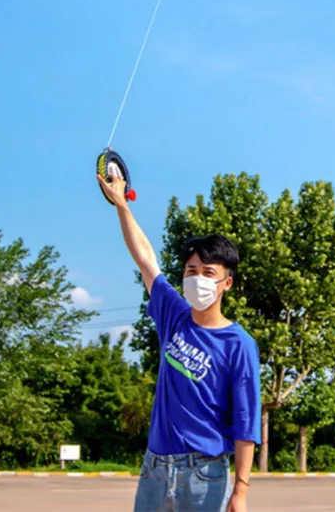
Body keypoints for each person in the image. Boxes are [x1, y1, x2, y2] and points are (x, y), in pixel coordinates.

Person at [98, 165, 261, 512]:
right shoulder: (173, 315)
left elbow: (246, 422)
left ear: (226, 283)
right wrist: (122, 205)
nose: (197, 279)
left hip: (205, 473)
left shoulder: (239, 344)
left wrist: (241, 491)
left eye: (208, 273)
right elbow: (146, 260)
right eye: (191, 271)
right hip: (155, 468)